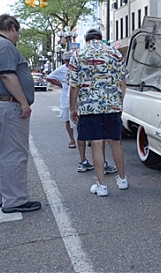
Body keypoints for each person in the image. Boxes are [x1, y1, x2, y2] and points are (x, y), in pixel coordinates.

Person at [69, 29, 128, 196]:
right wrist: (119, 102)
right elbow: (123, 81)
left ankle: (101, 185)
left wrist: (73, 108)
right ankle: (122, 179)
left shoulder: (78, 54)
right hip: (112, 105)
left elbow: (74, 85)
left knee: (96, 143)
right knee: (115, 141)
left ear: (86, 39)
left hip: (89, 107)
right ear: (101, 39)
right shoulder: (115, 53)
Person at [0, 14, 42, 213]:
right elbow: (7, 74)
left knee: (0, 154)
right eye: (18, 33)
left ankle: (1, 197)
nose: (18, 37)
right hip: (9, 105)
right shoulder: (4, 46)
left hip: (0, 105)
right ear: (12, 27)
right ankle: (14, 200)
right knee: (14, 153)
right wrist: (24, 102)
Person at [47, 51, 118, 174]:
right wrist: (72, 107)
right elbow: (74, 88)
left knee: (90, 134)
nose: (68, 62)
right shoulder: (80, 67)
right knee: (92, 134)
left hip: (85, 103)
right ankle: (91, 162)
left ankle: (92, 162)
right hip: (84, 103)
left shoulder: (80, 67)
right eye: (67, 61)